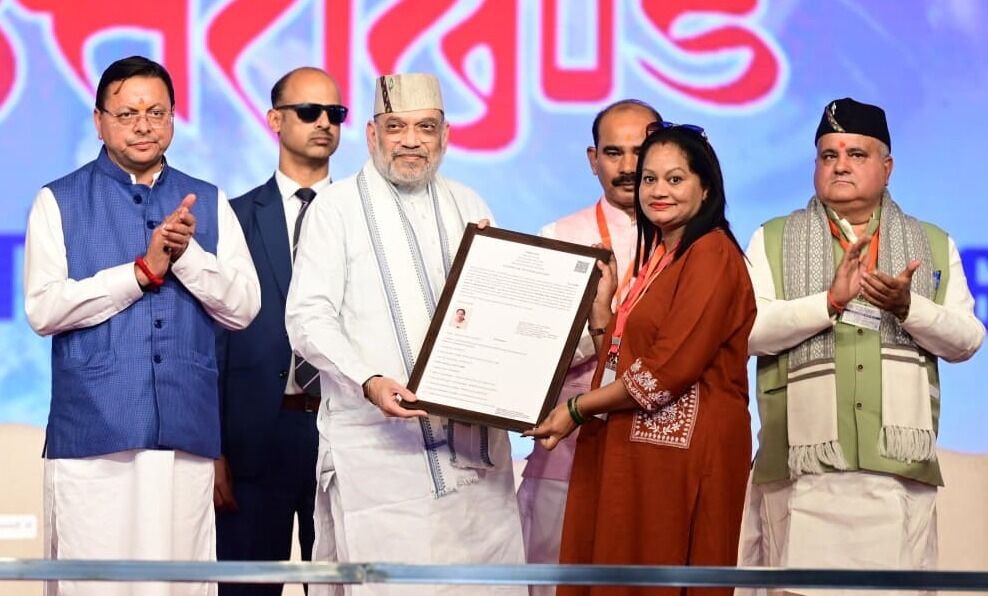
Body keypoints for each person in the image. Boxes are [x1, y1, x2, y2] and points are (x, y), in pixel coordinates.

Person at [23, 55, 260, 596]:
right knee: (95, 585)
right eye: (127, 113)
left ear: (173, 118)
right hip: (93, 441)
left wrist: (186, 255)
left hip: (184, 439)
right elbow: (43, 309)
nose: (143, 125)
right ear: (99, 121)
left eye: (156, 112)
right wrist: (140, 273)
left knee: (178, 583)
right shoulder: (57, 200)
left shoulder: (210, 200)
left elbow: (244, 307)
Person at [285, 73, 525, 595]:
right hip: (381, 457)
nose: (411, 141)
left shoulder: (469, 204)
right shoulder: (335, 208)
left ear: (446, 136)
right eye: (396, 127)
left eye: (425, 127)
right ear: (372, 135)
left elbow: (499, 316)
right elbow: (307, 319)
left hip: (476, 460)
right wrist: (368, 380)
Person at [740, 98, 984, 595]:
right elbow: (746, 333)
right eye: (828, 155)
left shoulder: (932, 243)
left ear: (887, 167)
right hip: (800, 472)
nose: (841, 165)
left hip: (897, 474)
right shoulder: (772, 238)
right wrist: (828, 302)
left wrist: (908, 307)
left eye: (856, 154)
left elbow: (967, 340)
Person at [528, 121, 755, 596]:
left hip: (684, 455)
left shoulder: (711, 253)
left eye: (675, 179)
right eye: (650, 179)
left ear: (706, 187)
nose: (658, 191)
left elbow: (665, 372)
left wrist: (575, 409)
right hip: (640, 449)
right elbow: (629, 357)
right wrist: (602, 314)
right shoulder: (664, 255)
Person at [516, 99, 660, 591]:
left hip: (656, 452)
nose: (628, 166)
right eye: (614, 152)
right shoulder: (559, 236)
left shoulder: (691, 241)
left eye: (640, 151)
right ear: (592, 159)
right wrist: (610, 332)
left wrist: (606, 323)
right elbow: (537, 343)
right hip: (569, 452)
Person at [214, 67, 346, 595]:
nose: (324, 123)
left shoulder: (365, 219)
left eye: (335, 113)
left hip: (344, 433)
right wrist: (212, 449)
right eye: (309, 112)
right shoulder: (233, 218)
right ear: (274, 119)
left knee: (341, 588)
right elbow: (212, 340)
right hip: (254, 438)